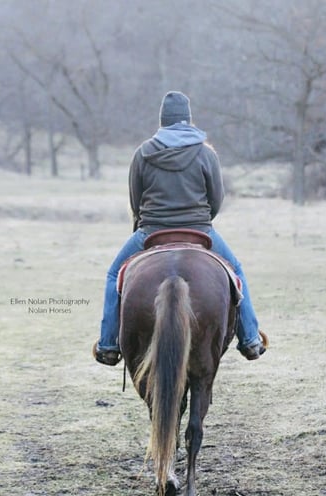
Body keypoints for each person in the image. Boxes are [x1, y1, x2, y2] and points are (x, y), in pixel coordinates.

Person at [94, 91, 267, 366]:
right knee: (236, 271)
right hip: (199, 230)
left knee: (114, 274)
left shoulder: (143, 153)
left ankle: (108, 345)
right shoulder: (206, 154)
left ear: (162, 120)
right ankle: (250, 339)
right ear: (188, 118)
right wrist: (202, 221)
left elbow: (135, 199)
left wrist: (145, 222)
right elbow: (216, 199)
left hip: (151, 230)